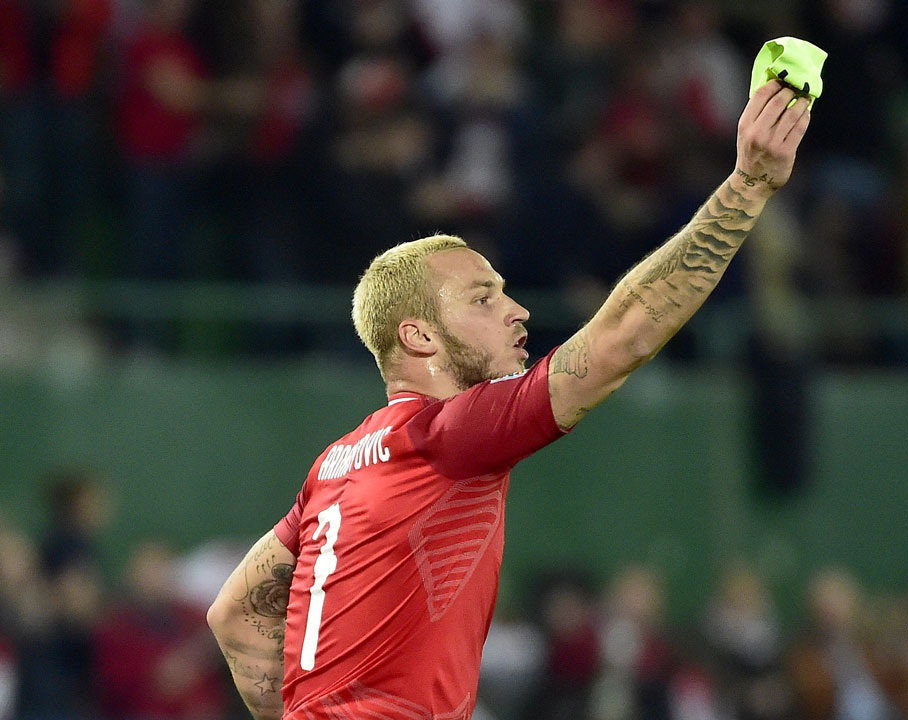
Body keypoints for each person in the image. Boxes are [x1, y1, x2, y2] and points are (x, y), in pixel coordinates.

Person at [206, 78, 814, 719]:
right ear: (419, 336)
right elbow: (623, 338)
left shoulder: (335, 466)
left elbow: (237, 617)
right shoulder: (447, 436)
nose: (518, 311)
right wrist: (749, 184)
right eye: (483, 299)